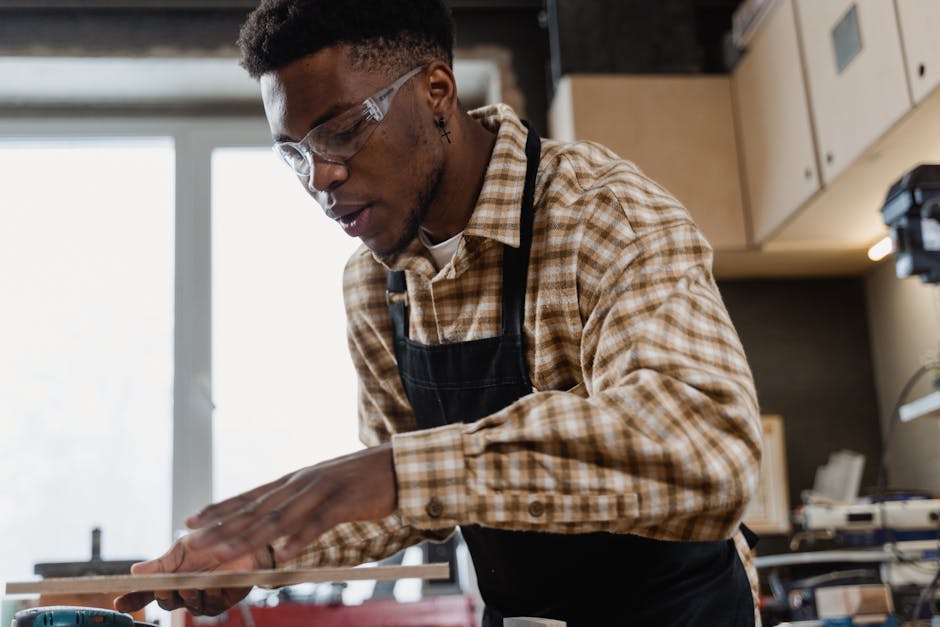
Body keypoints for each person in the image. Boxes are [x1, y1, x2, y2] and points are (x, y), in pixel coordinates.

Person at [115, 0, 763, 624]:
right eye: (295, 152)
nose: (320, 178)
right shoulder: (375, 285)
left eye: (340, 131)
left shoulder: (599, 214)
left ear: (437, 90)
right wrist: (259, 550)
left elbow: (708, 445)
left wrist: (398, 468)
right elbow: (405, 502)